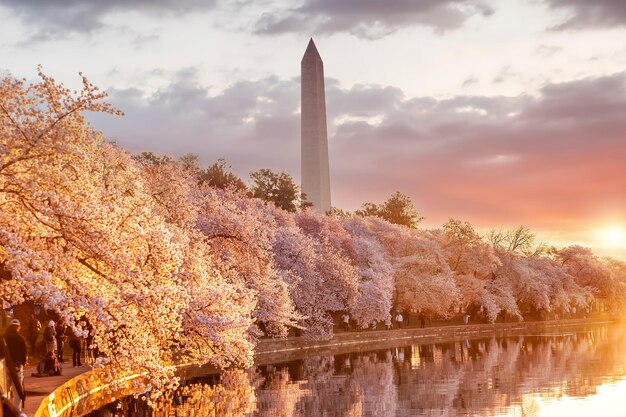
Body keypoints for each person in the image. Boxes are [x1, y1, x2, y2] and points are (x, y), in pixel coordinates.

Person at [3, 319, 27, 410]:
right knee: (18, 392)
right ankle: (16, 411)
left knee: (6, 390)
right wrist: (23, 363)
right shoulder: (20, 338)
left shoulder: (4, 337)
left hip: (5, 366)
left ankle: (6, 410)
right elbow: (24, 353)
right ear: (18, 327)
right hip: (16, 366)